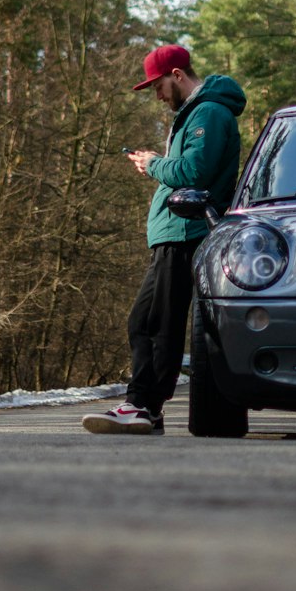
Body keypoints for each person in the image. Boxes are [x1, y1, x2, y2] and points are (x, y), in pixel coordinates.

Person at [83, 44, 246, 435]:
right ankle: (146, 407)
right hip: (174, 232)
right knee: (149, 320)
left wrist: (154, 163)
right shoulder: (197, 112)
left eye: (157, 87)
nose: (157, 96)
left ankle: (142, 405)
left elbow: (194, 170)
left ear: (176, 75)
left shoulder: (208, 112)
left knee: (156, 323)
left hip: (185, 230)